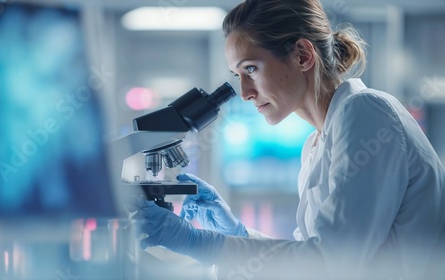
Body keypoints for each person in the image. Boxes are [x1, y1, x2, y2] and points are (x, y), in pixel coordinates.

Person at [130, 0, 445, 279]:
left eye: (251, 69)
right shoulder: (316, 144)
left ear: (303, 56)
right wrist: (237, 233)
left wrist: (197, 242)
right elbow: (306, 259)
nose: (245, 93)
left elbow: (334, 264)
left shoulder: (367, 112)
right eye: (238, 75)